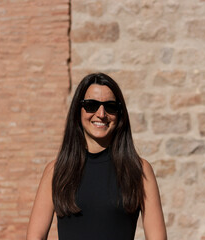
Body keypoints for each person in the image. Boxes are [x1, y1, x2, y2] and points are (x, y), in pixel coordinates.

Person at [26, 73, 167, 240]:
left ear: (120, 114)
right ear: (78, 110)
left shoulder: (139, 170)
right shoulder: (56, 171)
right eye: (91, 105)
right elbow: (35, 236)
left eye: (110, 106)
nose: (101, 113)